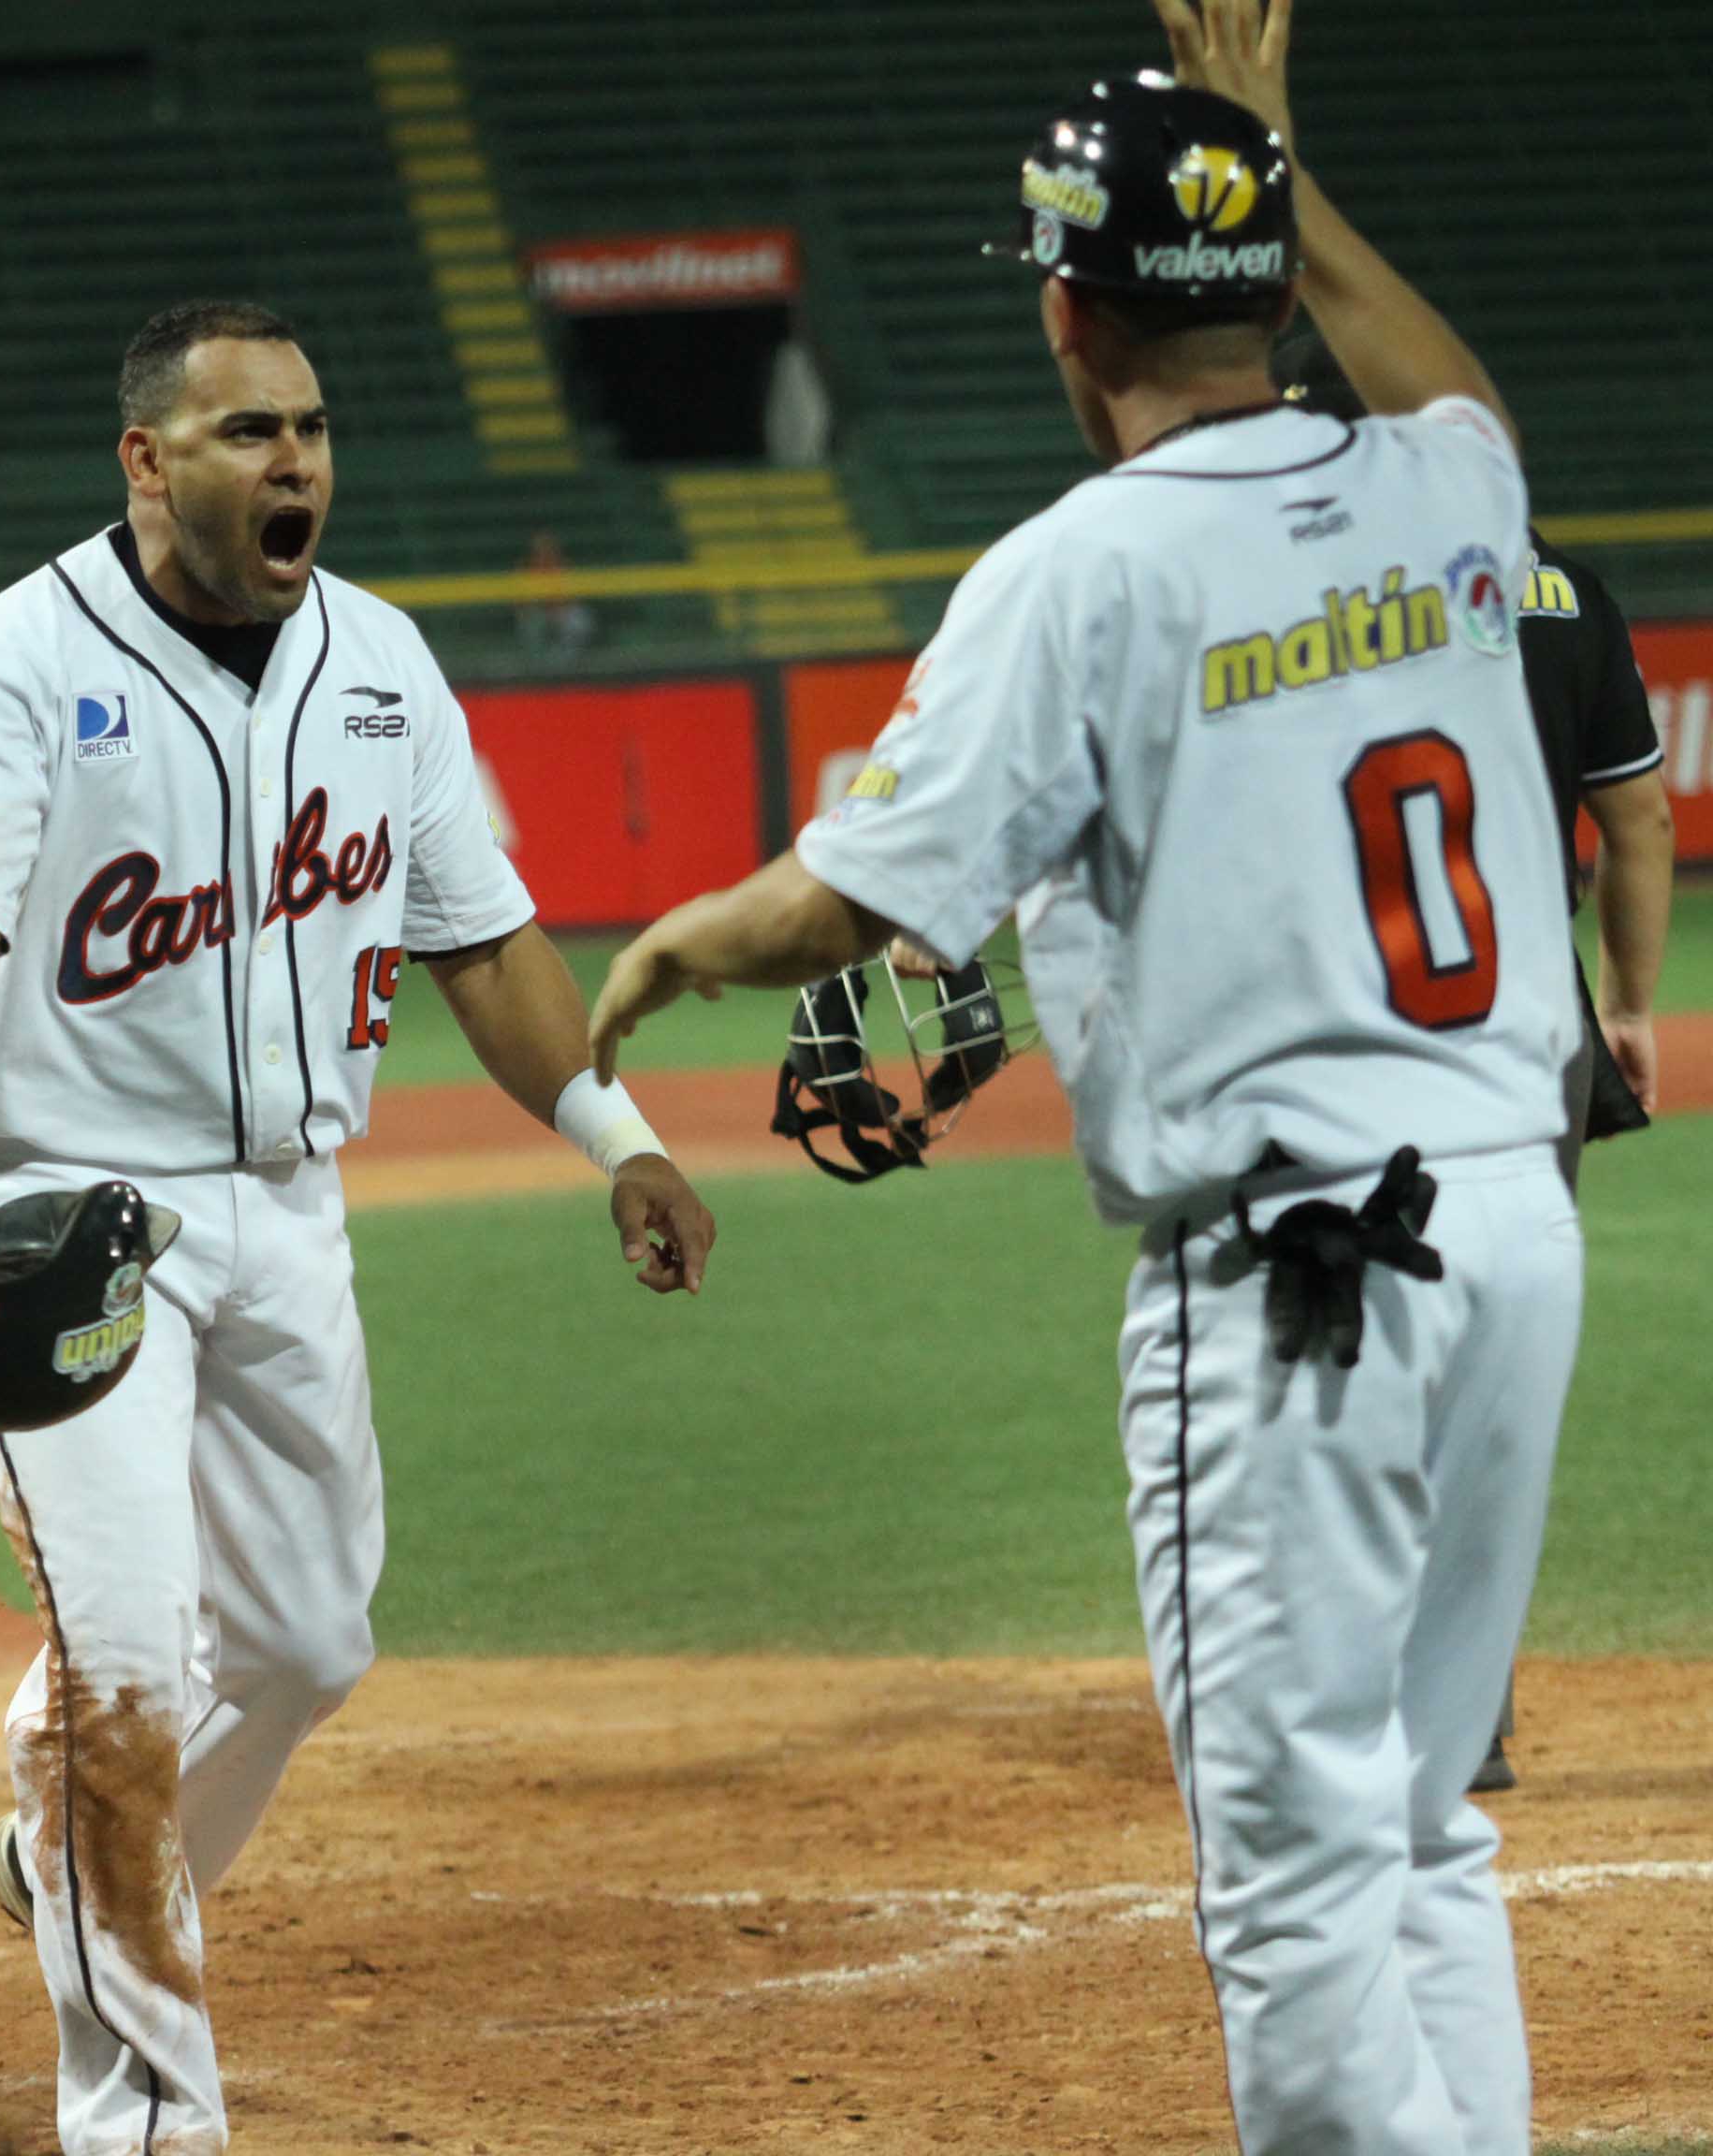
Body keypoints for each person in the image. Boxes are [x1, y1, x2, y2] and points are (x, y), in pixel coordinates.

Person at [587, 11, 1580, 2150]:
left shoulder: (1076, 570)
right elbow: (1449, 378)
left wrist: (673, 942)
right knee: (1420, 1831)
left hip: (1293, 1276)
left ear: (1062, 308)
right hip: (1506, 1221)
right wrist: (1273, 170)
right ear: (1252, 287)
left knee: (1300, 1889)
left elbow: (855, 901)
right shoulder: (1436, 481)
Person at [0, 297, 716, 2156]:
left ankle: (50, 1839)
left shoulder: (383, 665)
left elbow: (479, 938)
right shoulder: (14, 662)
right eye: (249, 432)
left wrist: (616, 1136)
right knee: (133, 1674)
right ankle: (145, 2120)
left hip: (288, 1210)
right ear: (148, 461)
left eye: (312, 426)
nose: (297, 460)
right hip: (56, 1209)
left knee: (310, 1644)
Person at [1280, 337, 1678, 1794]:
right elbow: (1637, 827)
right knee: (1491, 1372)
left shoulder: (1294, 596)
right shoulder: (1564, 584)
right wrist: (1632, 1001)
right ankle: (1468, 1714)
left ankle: (1342, 1697)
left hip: (1350, 1029)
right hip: (1535, 1033)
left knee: (1336, 1353)